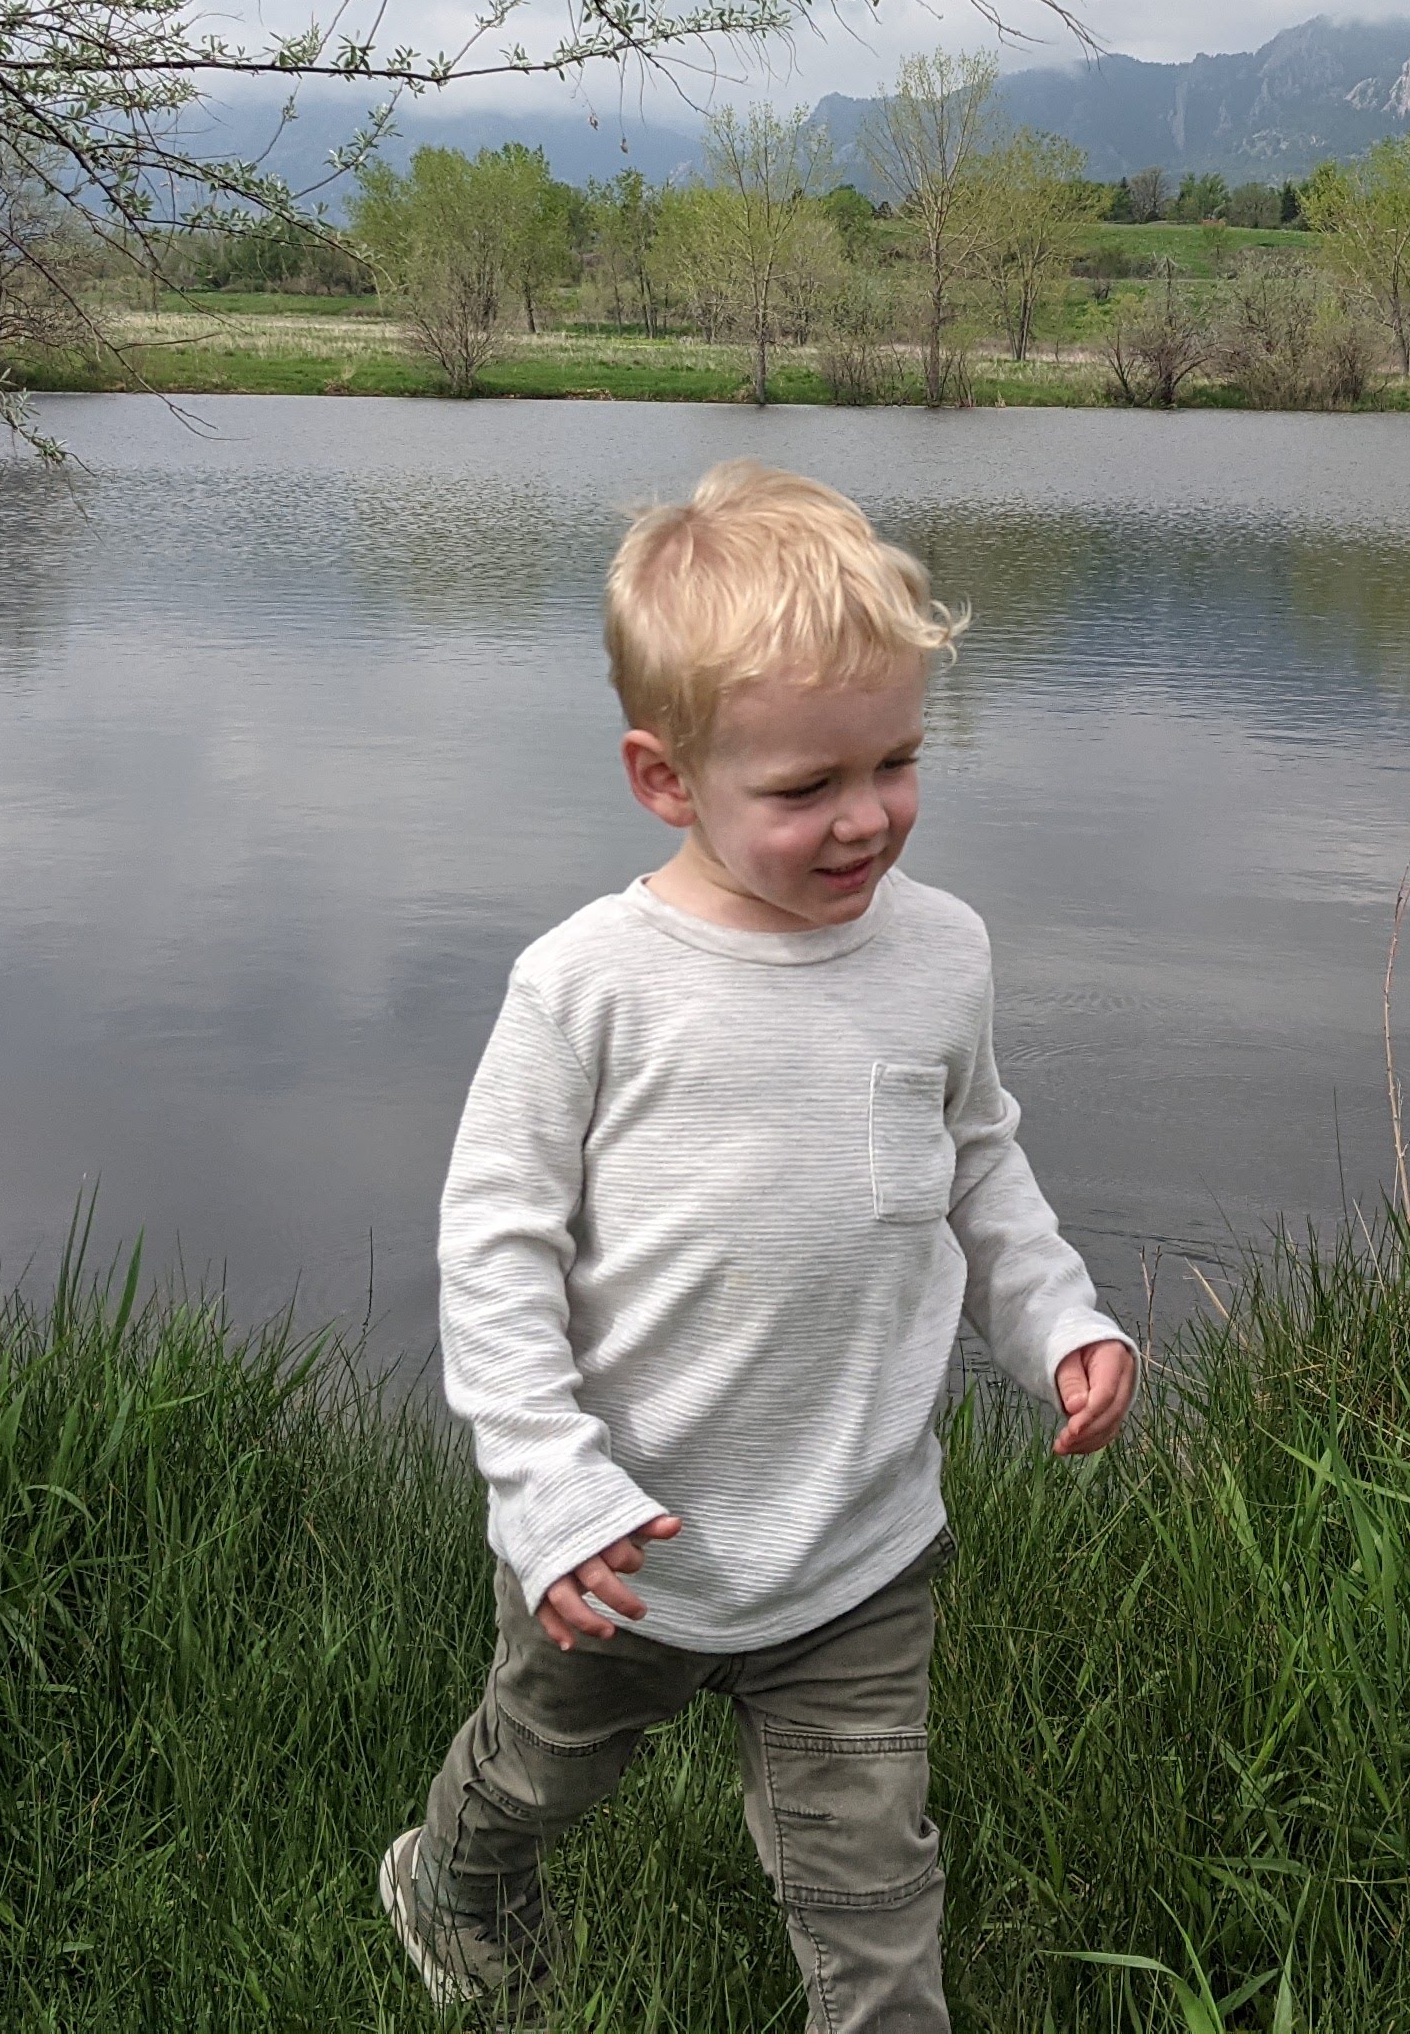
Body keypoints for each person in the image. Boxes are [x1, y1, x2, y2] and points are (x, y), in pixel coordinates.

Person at [382, 459, 1137, 2030]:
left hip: (858, 1545)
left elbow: (977, 1159)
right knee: (541, 1770)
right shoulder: (590, 984)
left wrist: (1057, 1316)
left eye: (897, 762)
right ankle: (452, 1875)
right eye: (804, 790)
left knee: (874, 1893)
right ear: (666, 778)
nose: (865, 818)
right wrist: (548, 1487)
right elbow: (495, 1249)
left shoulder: (942, 952)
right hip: (629, 1552)